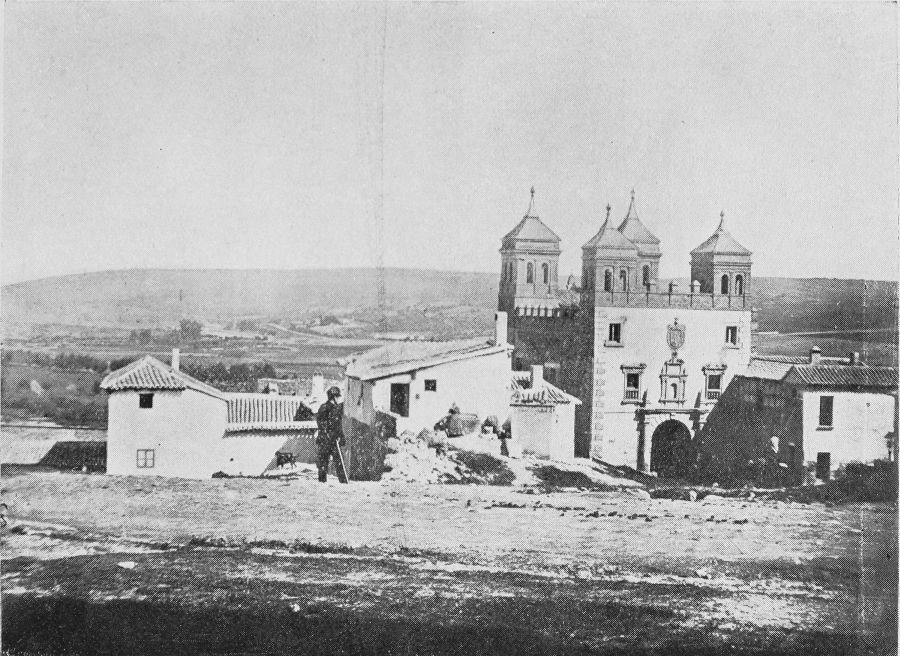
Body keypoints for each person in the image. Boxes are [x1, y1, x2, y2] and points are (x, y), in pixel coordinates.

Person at [315, 386, 347, 483]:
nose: (338, 398)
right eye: (337, 397)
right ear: (333, 397)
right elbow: (320, 423)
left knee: (339, 460)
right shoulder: (324, 408)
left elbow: (338, 425)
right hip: (325, 439)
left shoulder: (336, 409)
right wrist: (326, 434)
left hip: (333, 439)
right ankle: (322, 482)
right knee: (324, 461)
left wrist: (341, 436)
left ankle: (343, 482)